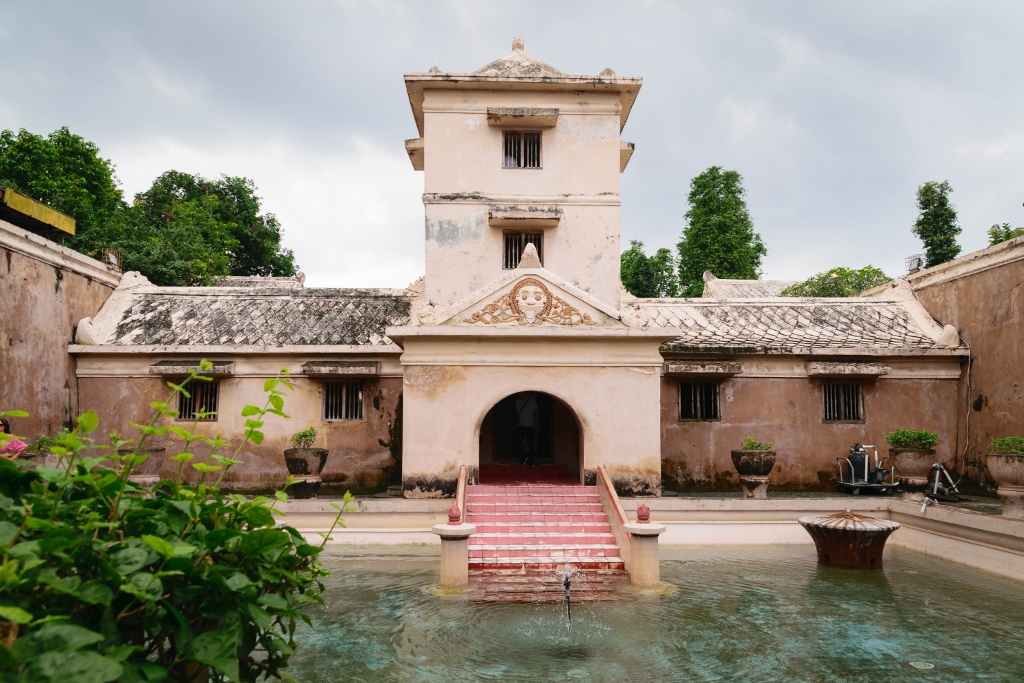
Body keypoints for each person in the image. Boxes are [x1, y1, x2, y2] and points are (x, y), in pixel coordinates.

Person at [514, 391, 540, 466]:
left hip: (530, 426)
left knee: (530, 444)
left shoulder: (532, 401)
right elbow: (517, 413)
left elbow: (537, 413)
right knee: (518, 441)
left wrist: (537, 425)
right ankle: (524, 457)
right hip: (520, 425)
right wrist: (516, 423)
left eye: (522, 392)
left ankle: (531, 461)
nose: (520, 393)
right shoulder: (518, 401)